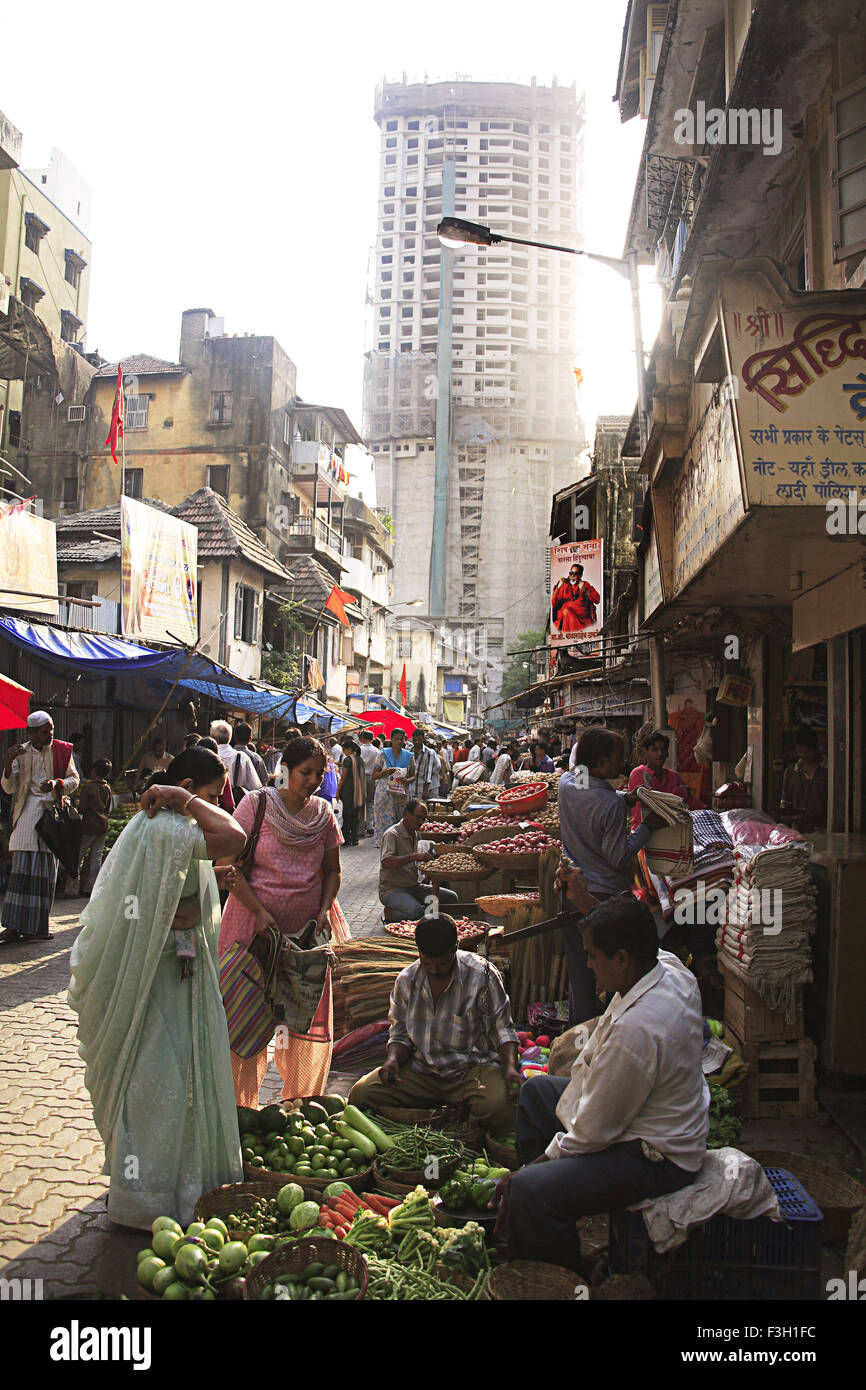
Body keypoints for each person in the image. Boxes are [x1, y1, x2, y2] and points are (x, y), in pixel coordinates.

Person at [68, 746, 246, 1228]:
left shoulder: (154, 829)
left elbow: (169, 886)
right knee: (166, 1080)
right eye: (211, 795)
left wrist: (204, 879)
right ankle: (161, 1194)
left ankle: (141, 1194)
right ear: (188, 790)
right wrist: (182, 801)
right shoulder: (173, 826)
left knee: (153, 1080)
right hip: (164, 973)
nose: (217, 804)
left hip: (159, 970)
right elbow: (235, 835)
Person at [495, 894, 708, 1271]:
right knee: (536, 1093)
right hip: (639, 1114)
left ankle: (559, 1273)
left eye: (593, 956)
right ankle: (550, 1219)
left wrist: (533, 1170)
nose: (589, 965)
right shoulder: (668, 967)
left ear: (622, 959)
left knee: (530, 1190)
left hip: (657, 1154)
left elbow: (593, 1131)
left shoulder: (637, 1031)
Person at [218, 736, 349, 1106]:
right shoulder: (256, 804)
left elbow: (333, 872)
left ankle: (300, 1103)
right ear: (285, 770)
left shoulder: (324, 814)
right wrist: (259, 912)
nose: (312, 781)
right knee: (246, 1017)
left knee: (302, 1022)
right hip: (251, 932)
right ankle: (239, 1109)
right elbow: (229, 867)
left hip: (305, 941)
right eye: (305, 772)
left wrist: (324, 909)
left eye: (318, 774)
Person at [349, 915, 521, 1133]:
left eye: (442, 963)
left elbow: (504, 1030)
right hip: (423, 1070)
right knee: (361, 1094)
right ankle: (445, 1112)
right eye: (427, 962)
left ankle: (459, 1114)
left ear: (455, 948)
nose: (434, 970)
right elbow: (399, 1034)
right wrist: (392, 1060)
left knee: (501, 1107)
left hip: (471, 1071)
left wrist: (510, 1070)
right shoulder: (406, 980)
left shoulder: (482, 976)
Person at [557, 727, 665, 1024]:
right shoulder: (610, 806)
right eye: (618, 758)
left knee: (580, 973)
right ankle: (612, 1032)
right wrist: (647, 828)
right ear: (602, 763)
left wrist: (624, 797)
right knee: (616, 976)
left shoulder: (567, 783)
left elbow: (587, 789)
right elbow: (617, 857)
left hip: (568, 894)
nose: (623, 764)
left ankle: (579, 1034)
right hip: (601, 898)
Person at [0, 711, 79, 945]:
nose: (50, 734)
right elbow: (9, 788)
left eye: (51, 730)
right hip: (26, 816)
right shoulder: (20, 753)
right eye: (45, 732)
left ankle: (37, 928)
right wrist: (7, 762)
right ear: (31, 733)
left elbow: (74, 779)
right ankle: (14, 927)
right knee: (21, 875)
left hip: (51, 817)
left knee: (44, 875)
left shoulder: (62, 750)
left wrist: (58, 784)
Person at [379, 798, 459, 922]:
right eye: (418, 817)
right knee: (416, 912)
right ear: (406, 815)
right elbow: (386, 862)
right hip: (392, 890)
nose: (421, 822)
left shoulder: (415, 833)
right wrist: (414, 857)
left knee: (451, 898)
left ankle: (427, 918)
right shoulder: (392, 834)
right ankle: (391, 914)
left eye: (423, 819)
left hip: (413, 887)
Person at [627, 730, 700, 829]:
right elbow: (652, 803)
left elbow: (692, 804)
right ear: (645, 752)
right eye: (654, 749)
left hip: (672, 831)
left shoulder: (674, 776)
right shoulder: (639, 773)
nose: (660, 754)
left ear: (667, 753)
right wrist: (679, 793)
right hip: (644, 832)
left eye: (663, 750)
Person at [64, 759, 113, 898]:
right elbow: (108, 807)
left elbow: (83, 808)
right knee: (96, 857)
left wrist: (77, 803)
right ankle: (91, 888)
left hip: (89, 825)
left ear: (94, 771)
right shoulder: (107, 787)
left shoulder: (88, 787)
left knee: (78, 856)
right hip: (102, 825)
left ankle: (72, 889)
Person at [780, 726, 828, 832]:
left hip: (825, 830)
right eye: (800, 751)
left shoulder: (828, 771)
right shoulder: (791, 772)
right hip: (799, 832)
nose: (804, 755)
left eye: (808, 751)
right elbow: (786, 803)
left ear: (816, 748)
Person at [371, 728, 412, 845]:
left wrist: (407, 780)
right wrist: (385, 772)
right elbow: (374, 775)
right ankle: (383, 844)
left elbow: (413, 776)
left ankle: (399, 845)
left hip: (401, 796)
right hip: (385, 796)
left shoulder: (409, 756)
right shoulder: (382, 754)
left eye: (401, 739)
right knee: (384, 821)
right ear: (391, 740)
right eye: (396, 739)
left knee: (400, 821)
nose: (399, 741)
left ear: (405, 740)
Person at [210, 719, 262, 801]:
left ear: (213, 737)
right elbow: (256, 787)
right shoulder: (242, 757)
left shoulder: (208, 756)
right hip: (238, 805)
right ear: (230, 737)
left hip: (211, 805)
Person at [551, 562, 601, 636]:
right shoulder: (564, 586)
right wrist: (558, 587)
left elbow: (597, 600)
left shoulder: (585, 585)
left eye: (575, 574)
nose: (572, 576)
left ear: (580, 575)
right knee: (566, 610)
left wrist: (586, 590)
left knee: (567, 609)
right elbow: (553, 603)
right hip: (567, 618)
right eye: (571, 573)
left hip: (582, 619)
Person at [337, 738, 364, 847]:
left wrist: (337, 791)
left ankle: (346, 838)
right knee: (355, 815)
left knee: (347, 815)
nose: (343, 752)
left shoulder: (348, 760)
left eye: (344, 749)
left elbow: (342, 778)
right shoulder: (360, 758)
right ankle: (355, 838)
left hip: (348, 791)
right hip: (359, 791)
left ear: (348, 749)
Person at [407, 727, 439, 802]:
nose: (417, 742)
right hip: (410, 788)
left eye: (419, 740)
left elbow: (428, 773)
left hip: (422, 789)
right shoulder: (409, 751)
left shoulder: (429, 753)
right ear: (412, 739)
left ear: (423, 739)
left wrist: (425, 791)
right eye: (415, 740)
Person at [358, 730, 379, 835]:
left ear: (363, 738)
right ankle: (370, 825)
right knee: (370, 802)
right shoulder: (377, 751)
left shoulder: (359, 749)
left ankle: (361, 828)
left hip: (360, 777)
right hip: (372, 777)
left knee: (361, 802)